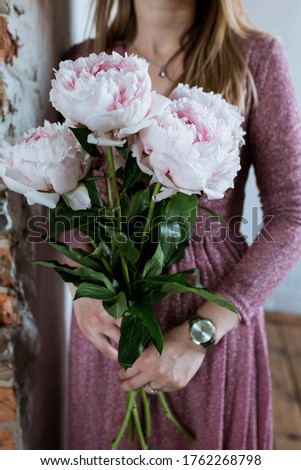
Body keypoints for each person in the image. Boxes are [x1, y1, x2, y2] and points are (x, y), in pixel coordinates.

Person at [65, 0, 301, 450]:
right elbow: (66, 199)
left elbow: (293, 213)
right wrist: (82, 290)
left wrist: (201, 334)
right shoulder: (83, 65)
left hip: (212, 316)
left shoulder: (256, 60)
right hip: (108, 327)